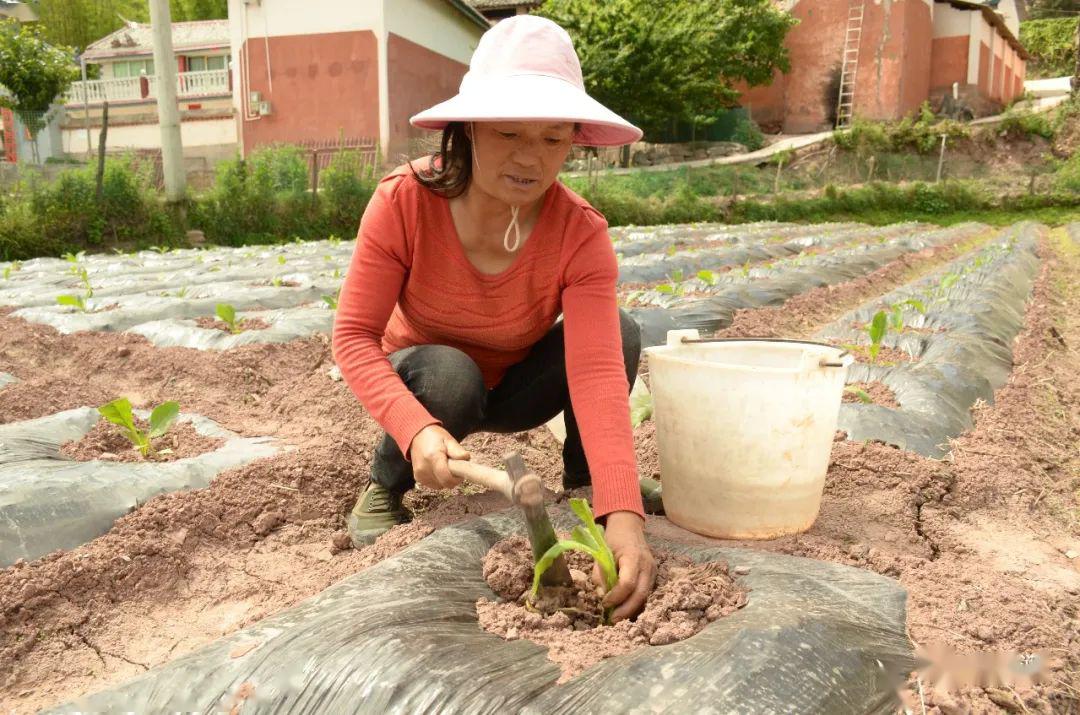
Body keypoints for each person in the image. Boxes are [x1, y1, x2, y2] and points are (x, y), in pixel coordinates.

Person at [332, 15, 656, 621]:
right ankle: (385, 488)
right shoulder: (403, 202)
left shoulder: (580, 233)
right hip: (433, 385)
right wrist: (415, 428)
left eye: (554, 140)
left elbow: (593, 371)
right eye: (509, 133)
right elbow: (353, 337)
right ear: (471, 129)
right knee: (450, 373)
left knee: (621, 331)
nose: (531, 159)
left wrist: (625, 510)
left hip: (514, 387)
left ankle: (590, 489)